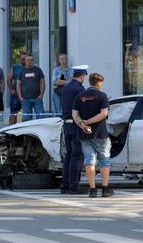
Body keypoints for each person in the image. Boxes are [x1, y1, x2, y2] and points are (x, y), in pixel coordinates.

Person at [72, 73, 114, 198]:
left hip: (84, 134)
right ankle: (105, 189)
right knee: (104, 160)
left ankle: (92, 190)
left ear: (90, 82)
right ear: (99, 83)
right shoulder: (102, 96)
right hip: (100, 133)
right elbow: (104, 114)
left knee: (89, 160)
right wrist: (89, 122)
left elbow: (74, 114)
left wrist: (83, 125)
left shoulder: (80, 96)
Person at [60, 65, 87, 194]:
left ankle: (65, 186)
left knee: (69, 155)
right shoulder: (79, 89)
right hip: (76, 124)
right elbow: (83, 108)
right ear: (82, 76)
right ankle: (74, 186)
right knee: (77, 156)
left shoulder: (66, 87)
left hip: (66, 124)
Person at [16, 54, 45, 122]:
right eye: (28, 60)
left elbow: (43, 83)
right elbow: (18, 85)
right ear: (25, 61)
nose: (30, 61)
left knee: (41, 118)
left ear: (33, 61)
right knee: (26, 120)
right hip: (25, 99)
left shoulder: (38, 70)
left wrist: (41, 95)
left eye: (31, 60)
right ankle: (28, 133)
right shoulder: (21, 71)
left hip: (37, 99)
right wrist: (20, 97)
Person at [7, 51, 27, 125]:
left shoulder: (30, 68)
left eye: (25, 59)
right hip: (15, 94)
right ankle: (10, 131)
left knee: (26, 114)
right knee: (13, 113)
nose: (24, 61)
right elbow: (9, 79)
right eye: (22, 59)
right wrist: (11, 89)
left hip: (26, 94)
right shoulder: (15, 68)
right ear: (19, 59)